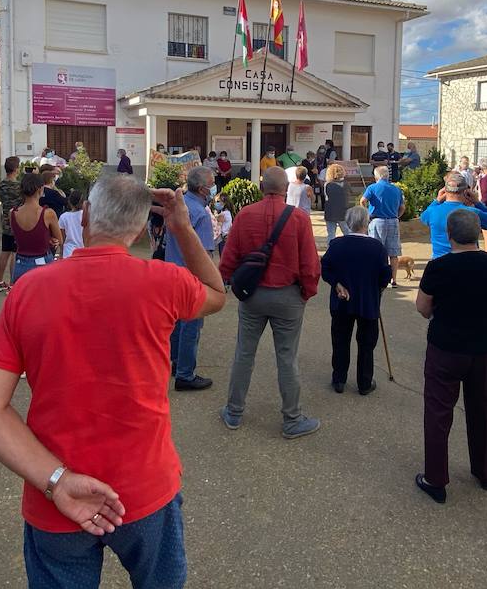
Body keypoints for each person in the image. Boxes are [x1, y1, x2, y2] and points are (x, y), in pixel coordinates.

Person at [0, 178, 225, 589]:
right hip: (145, 489)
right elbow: (217, 293)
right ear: (139, 228)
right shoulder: (162, 282)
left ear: (85, 215)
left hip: (57, 498)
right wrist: (180, 224)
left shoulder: (29, 290)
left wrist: (57, 480)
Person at [415, 210, 487, 503]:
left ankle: (435, 477)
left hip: (447, 345)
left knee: (438, 411)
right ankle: (485, 472)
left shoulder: (438, 266)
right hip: (485, 346)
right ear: (479, 233)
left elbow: (422, 306)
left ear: (449, 235)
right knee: (485, 409)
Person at [218, 167, 322, 439]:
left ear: (262, 188)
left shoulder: (244, 215)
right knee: (287, 358)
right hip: (288, 295)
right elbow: (310, 264)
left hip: (252, 295)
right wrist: (305, 293)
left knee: (244, 354)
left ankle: (234, 412)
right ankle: (292, 419)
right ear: (286, 189)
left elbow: (229, 258)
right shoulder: (299, 219)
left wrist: (229, 282)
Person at [320, 206, 390, 395]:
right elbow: (385, 276)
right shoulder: (377, 248)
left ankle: (339, 379)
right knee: (366, 344)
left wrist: (336, 283)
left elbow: (325, 268)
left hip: (342, 301)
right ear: (366, 223)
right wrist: (378, 290)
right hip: (367, 302)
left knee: (340, 340)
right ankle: (364, 383)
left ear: (349, 223)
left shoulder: (337, 244)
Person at [166, 166, 218, 392]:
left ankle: (176, 364)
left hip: (172, 272)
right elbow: (204, 255)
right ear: (202, 188)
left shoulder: (180, 205)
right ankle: (186, 374)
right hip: (191, 277)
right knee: (191, 325)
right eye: (212, 182)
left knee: (176, 323)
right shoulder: (200, 214)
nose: (213, 186)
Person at [420, 173, 487, 260]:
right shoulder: (473, 212)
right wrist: (477, 203)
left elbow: (423, 218)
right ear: (466, 191)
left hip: (439, 261)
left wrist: (437, 200)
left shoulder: (432, 211)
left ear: (444, 191)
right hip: (467, 261)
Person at [11, 173, 63, 284]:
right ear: (41, 189)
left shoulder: (12, 213)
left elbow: (21, 236)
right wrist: (49, 239)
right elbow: (60, 239)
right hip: (42, 263)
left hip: (20, 264)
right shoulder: (48, 214)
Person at [361, 165, 404, 287]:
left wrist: (367, 214)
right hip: (393, 220)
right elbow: (402, 207)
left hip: (377, 220)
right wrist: (397, 216)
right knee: (393, 253)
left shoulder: (372, 187)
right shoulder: (396, 189)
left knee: (375, 250)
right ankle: (393, 280)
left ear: (377, 176)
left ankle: (375, 277)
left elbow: (363, 201)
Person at [0, 156, 24, 292]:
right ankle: (13, 282)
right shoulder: (18, 186)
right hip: (17, 220)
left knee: (5, 251)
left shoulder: (1, 184)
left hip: (5, 221)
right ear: (16, 169)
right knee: (15, 252)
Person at [322, 163, 349, 241]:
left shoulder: (327, 184)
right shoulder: (346, 184)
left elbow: (326, 196)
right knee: (346, 231)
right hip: (342, 211)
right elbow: (347, 196)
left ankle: (330, 249)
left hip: (330, 211)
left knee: (331, 234)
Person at [58, 190, 86, 259]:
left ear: (69, 201)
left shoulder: (63, 217)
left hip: (68, 252)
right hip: (83, 251)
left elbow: (62, 239)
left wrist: (61, 253)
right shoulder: (86, 215)